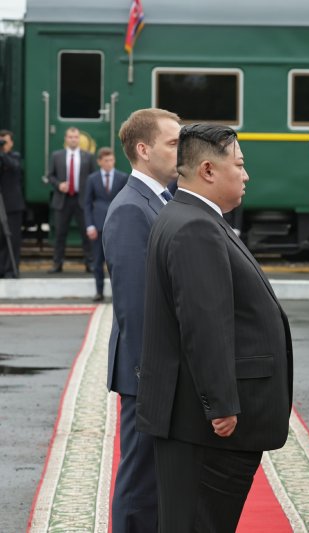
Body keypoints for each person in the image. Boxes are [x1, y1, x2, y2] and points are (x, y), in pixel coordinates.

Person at [136, 123, 293, 531]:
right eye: (239, 165)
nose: (246, 175)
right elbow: (205, 324)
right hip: (207, 428)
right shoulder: (195, 226)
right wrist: (221, 405)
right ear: (208, 170)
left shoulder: (187, 216)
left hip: (192, 418)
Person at [103, 107, 181, 533]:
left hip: (155, 370)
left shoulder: (157, 200)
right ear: (143, 149)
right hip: (146, 373)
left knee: (155, 481)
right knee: (139, 484)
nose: (181, 149)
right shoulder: (132, 209)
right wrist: (152, 377)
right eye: (173, 142)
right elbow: (137, 305)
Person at [47, 126, 97, 273]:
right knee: (60, 234)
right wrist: (58, 185)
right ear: (66, 139)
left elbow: (94, 177)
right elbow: (50, 176)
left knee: (86, 234)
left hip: (82, 200)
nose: (73, 139)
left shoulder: (88, 156)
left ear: (79, 139)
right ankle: (57, 264)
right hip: (63, 200)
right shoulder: (57, 155)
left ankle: (90, 263)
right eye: (70, 137)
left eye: (76, 137)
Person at [84, 147, 129, 301]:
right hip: (97, 226)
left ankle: (118, 293)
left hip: (116, 226)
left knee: (116, 261)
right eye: (106, 161)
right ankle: (99, 292)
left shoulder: (122, 177)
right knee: (97, 261)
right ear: (99, 162)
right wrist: (89, 225)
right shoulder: (92, 179)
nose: (109, 163)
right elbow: (87, 204)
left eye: (111, 160)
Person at [0, 129, 25, 278]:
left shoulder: (15, 156)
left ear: (11, 143)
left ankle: (11, 269)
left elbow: (14, 166)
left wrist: (2, 152)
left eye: (5, 141)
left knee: (13, 238)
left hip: (12, 205)